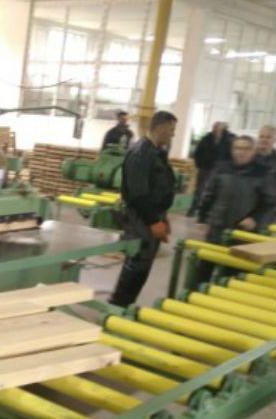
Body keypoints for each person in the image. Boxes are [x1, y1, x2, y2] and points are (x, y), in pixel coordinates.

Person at [109, 111, 178, 307]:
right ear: (160, 127)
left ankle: (126, 305)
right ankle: (117, 307)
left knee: (143, 267)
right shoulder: (141, 153)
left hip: (151, 217)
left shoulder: (155, 152)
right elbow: (137, 194)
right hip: (140, 219)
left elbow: (159, 187)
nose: (173, 134)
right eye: (171, 130)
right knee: (136, 264)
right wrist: (153, 221)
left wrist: (162, 217)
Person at [195, 135, 276, 285]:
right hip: (217, 228)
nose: (241, 152)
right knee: (204, 268)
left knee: (233, 275)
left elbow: (270, 202)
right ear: (232, 150)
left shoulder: (263, 173)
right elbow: (208, 194)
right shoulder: (221, 169)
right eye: (237, 148)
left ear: (253, 151)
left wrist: (255, 218)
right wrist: (202, 219)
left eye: (246, 149)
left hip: (243, 234)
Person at [188, 122, 235, 217]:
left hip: (219, 170)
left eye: (218, 128)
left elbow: (230, 155)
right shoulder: (206, 139)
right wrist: (199, 164)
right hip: (205, 168)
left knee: (214, 191)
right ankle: (193, 209)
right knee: (199, 190)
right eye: (214, 127)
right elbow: (198, 152)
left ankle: (207, 211)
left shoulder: (228, 140)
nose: (216, 129)